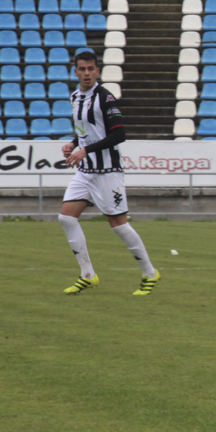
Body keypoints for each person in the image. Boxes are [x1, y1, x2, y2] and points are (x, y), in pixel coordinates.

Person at [59, 51, 160, 297]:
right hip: (86, 171)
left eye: (90, 69)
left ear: (97, 71)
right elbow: (88, 129)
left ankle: (149, 273)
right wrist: (74, 144)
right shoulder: (75, 97)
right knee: (66, 218)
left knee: (117, 224)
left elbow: (118, 135)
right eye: (82, 69)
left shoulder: (106, 98)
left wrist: (85, 150)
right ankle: (88, 275)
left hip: (107, 171)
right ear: (75, 72)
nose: (86, 73)